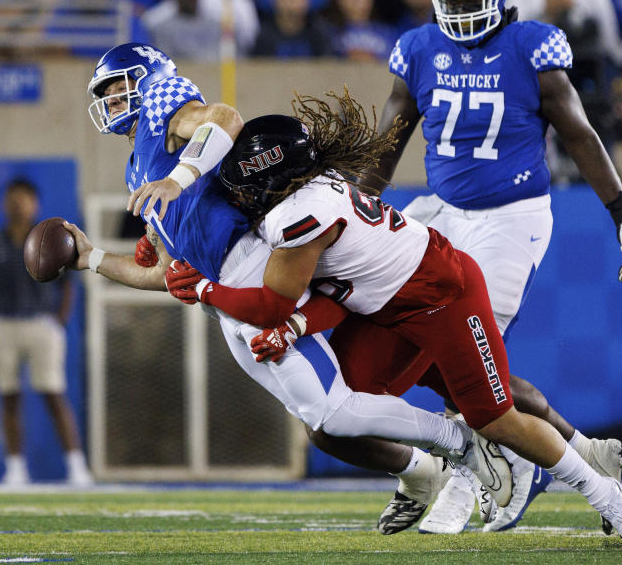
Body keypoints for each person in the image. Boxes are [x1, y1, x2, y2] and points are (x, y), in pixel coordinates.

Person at [159, 93, 622, 551]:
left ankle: (608, 496)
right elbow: (340, 293)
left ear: (271, 179)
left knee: (493, 415)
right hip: (382, 310)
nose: (237, 197)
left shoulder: (297, 216)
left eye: (243, 185)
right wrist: (295, 329)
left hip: (442, 298)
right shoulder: (304, 199)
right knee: (341, 413)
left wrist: (204, 290)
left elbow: (270, 305)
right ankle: (444, 464)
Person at [74, 41, 513, 519]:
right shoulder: (136, 164)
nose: (113, 98)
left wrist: (179, 179)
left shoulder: (167, 107)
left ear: (150, 77)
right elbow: (163, 273)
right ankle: (424, 472)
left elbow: (224, 119)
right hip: (223, 299)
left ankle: (462, 443)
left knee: (335, 413)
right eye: (107, 91)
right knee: (318, 418)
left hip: (250, 269)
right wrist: (91, 257)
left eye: (120, 85)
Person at [368, 0, 622, 534]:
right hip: (440, 211)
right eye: (453, 4)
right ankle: (576, 451)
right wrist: (357, 203)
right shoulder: (418, 48)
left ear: (498, 1)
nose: (463, 15)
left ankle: (474, 478)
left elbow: (579, 132)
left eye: (473, 3)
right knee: (400, 332)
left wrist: (621, 208)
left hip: (511, 216)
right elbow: (390, 137)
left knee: (464, 350)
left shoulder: (530, 46)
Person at [0, 179, 92, 486]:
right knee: (9, 397)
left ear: (35, 204)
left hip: (42, 324)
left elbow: (69, 284)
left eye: (24, 199)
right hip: (3, 324)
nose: (18, 204)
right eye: (12, 198)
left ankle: (76, 466)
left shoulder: (50, 240)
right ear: (4, 203)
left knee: (53, 394)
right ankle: (15, 468)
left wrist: (59, 321)